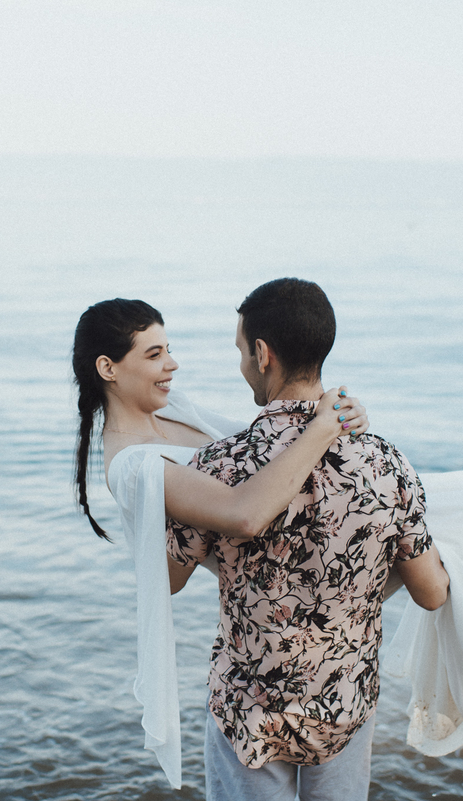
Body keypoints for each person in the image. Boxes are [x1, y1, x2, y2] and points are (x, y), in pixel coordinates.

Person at [72, 297, 369, 788]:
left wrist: (340, 416)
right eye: (153, 355)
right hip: (268, 621)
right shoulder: (132, 466)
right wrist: (321, 429)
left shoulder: (178, 409)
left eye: (168, 349)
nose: (172, 364)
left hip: (312, 587)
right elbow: (244, 513)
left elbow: (264, 448)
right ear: (107, 367)